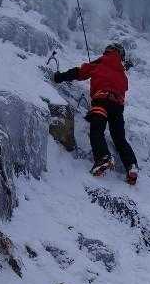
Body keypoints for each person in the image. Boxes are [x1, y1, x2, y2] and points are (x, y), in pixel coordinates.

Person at [54, 43, 139, 184]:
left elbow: (80, 72)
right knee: (119, 138)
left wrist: (59, 77)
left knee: (97, 131)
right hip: (117, 107)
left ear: (108, 51)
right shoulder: (122, 73)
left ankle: (103, 157)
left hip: (102, 101)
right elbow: (123, 88)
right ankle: (131, 166)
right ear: (120, 56)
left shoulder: (102, 62)